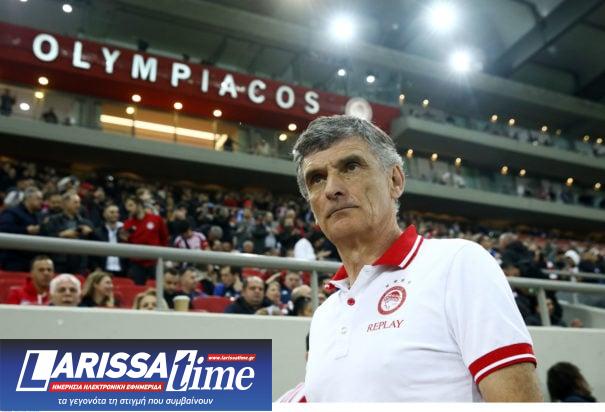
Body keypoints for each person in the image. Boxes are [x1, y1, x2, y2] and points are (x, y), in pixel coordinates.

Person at [294, 115, 541, 402]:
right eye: (317, 178)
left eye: (351, 167)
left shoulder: (458, 264)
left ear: (395, 180)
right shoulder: (323, 317)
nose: (331, 189)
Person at [40, 191, 94, 273]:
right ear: (65, 203)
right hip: (59, 262)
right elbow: (44, 238)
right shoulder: (53, 220)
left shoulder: (86, 223)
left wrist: (91, 232)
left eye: (79, 202)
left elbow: (96, 240)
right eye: (75, 202)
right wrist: (61, 235)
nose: (78, 205)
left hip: (80, 263)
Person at [122, 196, 169, 285]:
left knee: (158, 287)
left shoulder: (156, 219)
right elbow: (127, 244)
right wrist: (124, 239)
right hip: (137, 264)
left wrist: (162, 256)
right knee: (137, 288)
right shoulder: (127, 224)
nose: (128, 209)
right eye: (127, 207)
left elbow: (164, 238)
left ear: (139, 204)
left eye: (131, 205)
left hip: (155, 262)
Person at [0, 186, 43, 271]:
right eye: (38, 199)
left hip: (31, 259)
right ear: (28, 198)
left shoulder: (38, 215)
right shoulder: (12, 212)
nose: (41, 202)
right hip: (13, 259)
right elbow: (3, 229)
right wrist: (25, 230)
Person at [92, 204, 126, 276]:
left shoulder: (124, 231)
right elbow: (93, 253)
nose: (115, 215)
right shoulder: (97, 232)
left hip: (122, 270)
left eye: (117, 212)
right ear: (104, 214)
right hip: (104, 269)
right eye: (112, 212)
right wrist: (96, 267)